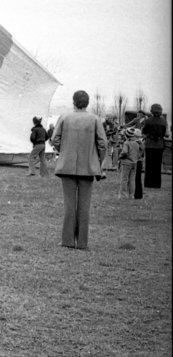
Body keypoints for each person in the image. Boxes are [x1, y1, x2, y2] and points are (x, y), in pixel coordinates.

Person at [51, 88, 107, 250]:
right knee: (84, 207)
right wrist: (97, 161)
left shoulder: (65, 117)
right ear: (87, 103)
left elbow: (55, 139)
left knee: (70, 206)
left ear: (74, 102)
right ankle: (82, 242)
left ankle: (67, 240)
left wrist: (65, 151)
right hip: (88, 168)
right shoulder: (95, 119)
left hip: (66, 166)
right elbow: (102, 144)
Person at [141, 103, 166, 190]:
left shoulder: (148, 120)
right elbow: (165, 132)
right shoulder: (163, 120)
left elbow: (144, 131)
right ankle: (157, 184)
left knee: (149, 164)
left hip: (150, 144)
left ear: (152, 110)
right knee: (157, 165)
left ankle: (148, 183)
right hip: (159, 144)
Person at [118, 127, 143, 199]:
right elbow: (141, 150)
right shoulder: (136, 143)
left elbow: (125, 152)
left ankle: (123, 195)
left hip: (126, 162)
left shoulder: (126, 143)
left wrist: (120, 156)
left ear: (126, 135)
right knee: (132, 180)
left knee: (124, 179)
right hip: (134, 162)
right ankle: (131, 195)